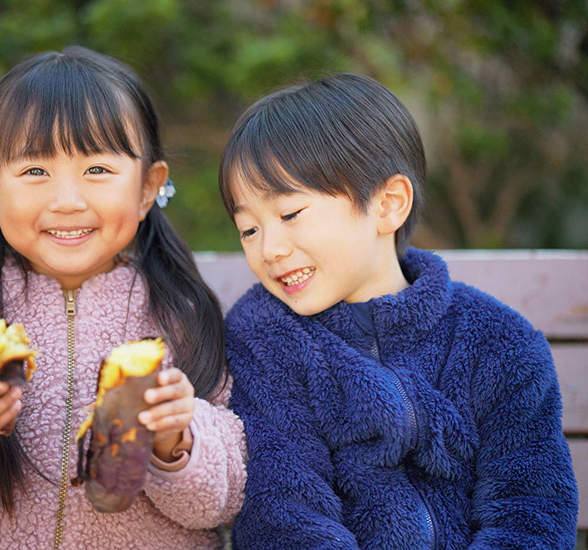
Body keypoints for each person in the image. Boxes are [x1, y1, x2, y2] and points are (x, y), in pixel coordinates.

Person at [0, 46, 246, 549]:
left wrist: (179, 439)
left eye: (97, 170)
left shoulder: (183, 316)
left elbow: (228, 497)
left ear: (148, 188)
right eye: (33, 172)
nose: (66, 201)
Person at [219, 73, 578, 549]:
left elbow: (530, 510)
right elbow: (283, 513)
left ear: (388, 205)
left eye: (289, 215)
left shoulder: (498, 341)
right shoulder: (263, 339)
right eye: (249, 229)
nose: (270, 249)